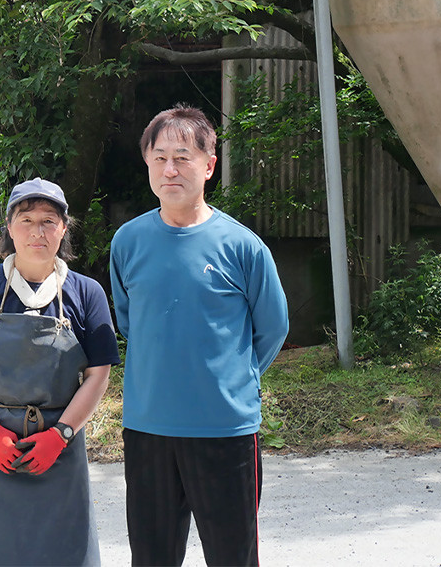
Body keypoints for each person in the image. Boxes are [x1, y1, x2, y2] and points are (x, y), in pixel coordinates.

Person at [109, 104, 290, 567]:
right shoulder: (127, 241)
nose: (171, 168)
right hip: (148, 426)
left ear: (209, 165)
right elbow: (130, 322)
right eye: (160, 156)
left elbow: (272, 328)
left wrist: (232, 378)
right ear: (147, 163)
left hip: (224, 428)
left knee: (233, 556)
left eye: (183, 156)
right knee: (151, 557)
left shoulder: (242, 246)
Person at [0, 178, 120, 567]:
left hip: (59, 447)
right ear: (9, 227)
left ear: (64, 229)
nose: (37, 231)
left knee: (63, 552)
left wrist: (62, 434)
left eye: (49, 221)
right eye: (26, 219)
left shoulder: (87, 293)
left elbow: (98, 374)